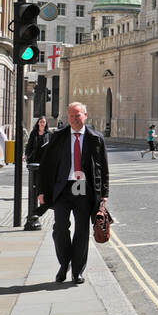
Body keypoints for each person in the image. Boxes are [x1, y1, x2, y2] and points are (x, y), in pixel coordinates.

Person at [36, 102, 109, 285]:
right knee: (60, 229)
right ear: (67, 118)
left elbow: (103, 169)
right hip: (63, 188)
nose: (74, 119)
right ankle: (64, 263)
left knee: (82, 231)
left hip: (84, 188)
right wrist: (42, 191)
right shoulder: (58, 137)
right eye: (71, 116)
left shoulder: (95, 138)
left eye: (77, 115)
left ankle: (77, 271)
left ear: (85, 115)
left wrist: (103, 195)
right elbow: (46, 166)